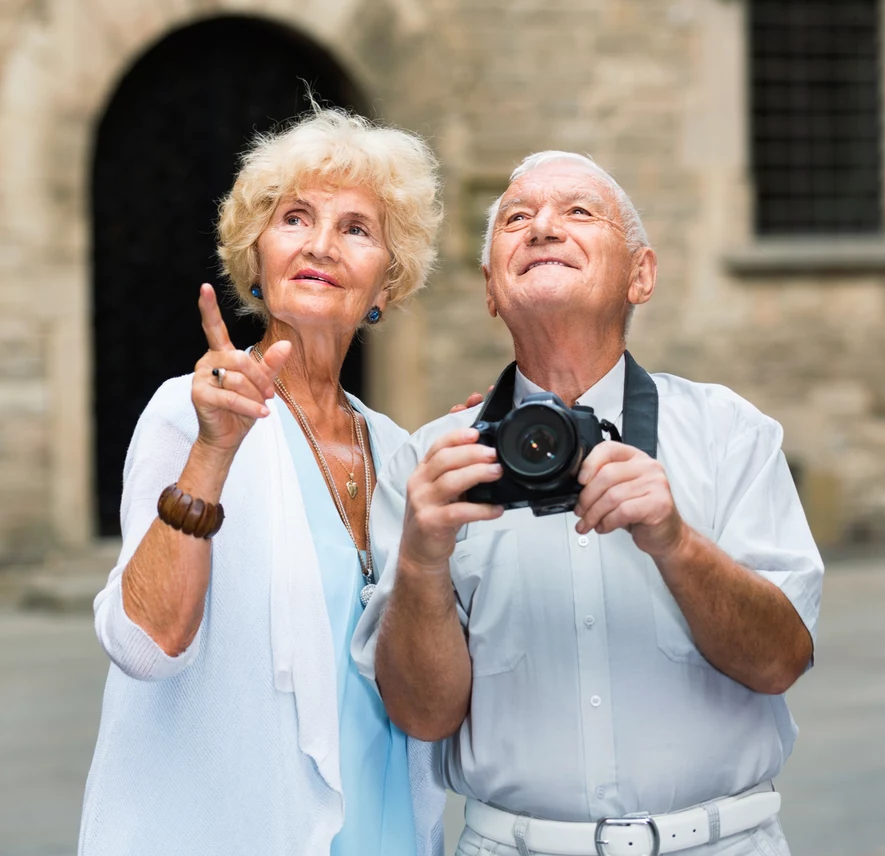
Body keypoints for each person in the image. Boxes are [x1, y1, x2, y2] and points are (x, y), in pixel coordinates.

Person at [353, 152, 824, 856]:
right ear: (490, 288)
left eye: (579, 212)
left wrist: (674, 541)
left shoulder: (730, 435)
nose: (543, 227)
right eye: (517, 218)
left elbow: (780, 661)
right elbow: (423, 715)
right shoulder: (431, 467)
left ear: (642, 274)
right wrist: (421, 560)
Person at [79, 108, 449, 856]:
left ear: (388, 280)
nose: (320, 244)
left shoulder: (401, 453)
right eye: (295, 218)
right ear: (257, 260)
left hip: (387, 831)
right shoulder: (189, 412)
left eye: (356, 228)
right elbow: (145, 644)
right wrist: (213, 454)